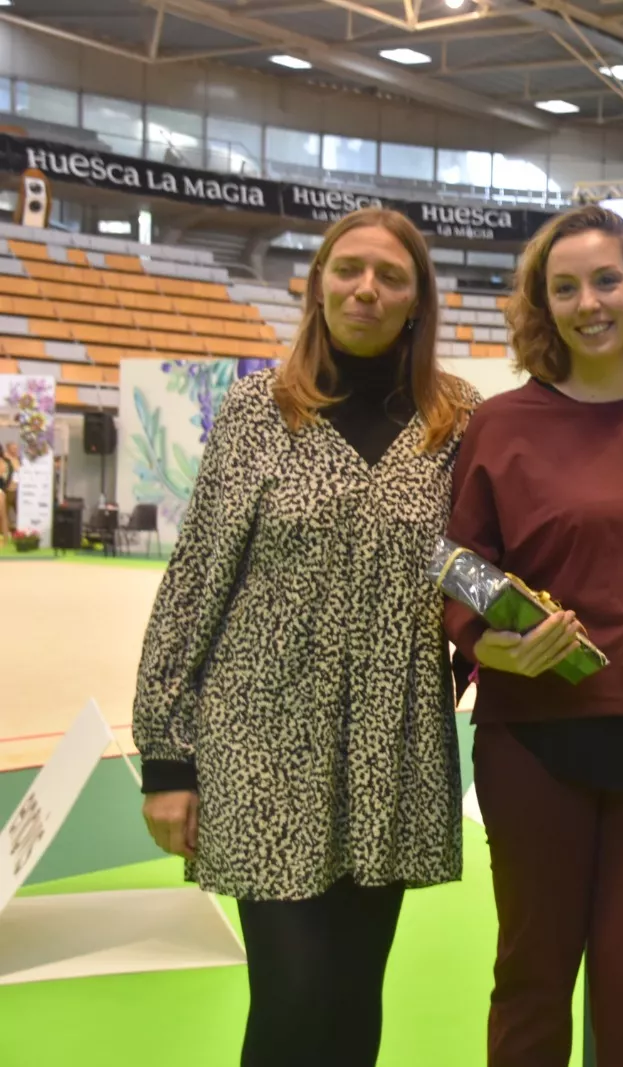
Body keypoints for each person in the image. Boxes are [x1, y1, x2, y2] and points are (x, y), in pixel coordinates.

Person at [132, 206, 479, 1067]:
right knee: (292, 998)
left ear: (417, 300)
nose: (367, 289)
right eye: (348, 269)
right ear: (318, 283)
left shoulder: (461, 423)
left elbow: (475, 565)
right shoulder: (257, 412)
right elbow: (193, 585)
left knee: (355, 997)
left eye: (391, 276)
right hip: (261, 742)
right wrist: (167, 760)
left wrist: (509, 637)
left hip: (389, 747)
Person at [445, 205, 623, 1067]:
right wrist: (483, 641)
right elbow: (460, 566)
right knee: (532, 970)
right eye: (564, 287)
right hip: (534, 739)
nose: (588, 302)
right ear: (543, 305)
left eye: (606, 280)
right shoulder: (501, 424)